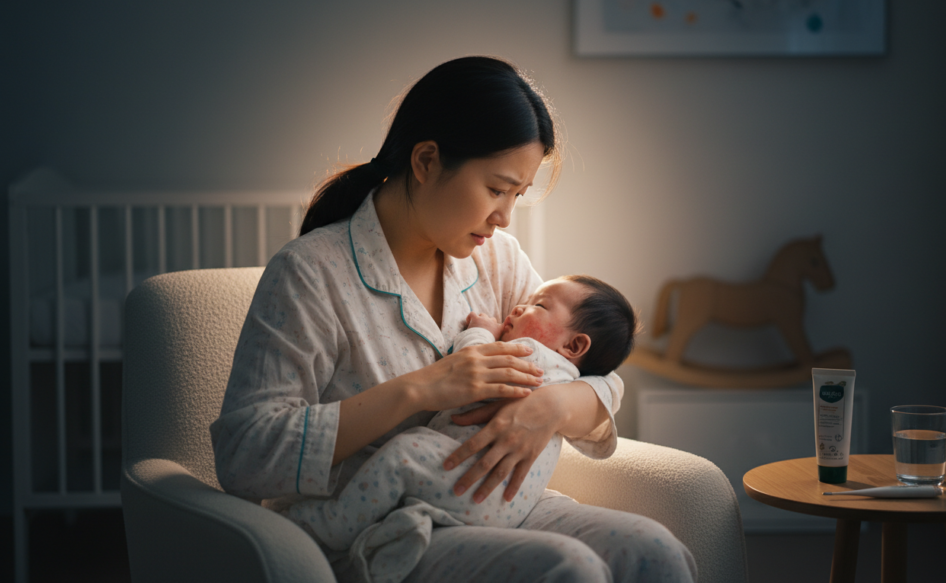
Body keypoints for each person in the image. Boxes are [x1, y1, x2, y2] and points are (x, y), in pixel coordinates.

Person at [210, 56, 697, 583]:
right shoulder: (310, 273)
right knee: (567, 569)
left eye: (517, 195)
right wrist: (421, 389)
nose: (505, 216)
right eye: (495, 189)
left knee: (655, 551)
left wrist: (553, 406)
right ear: (425, 161)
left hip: (499, 505)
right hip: (378, 526)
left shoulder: (498, 259)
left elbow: (589, 374)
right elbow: (245, 453)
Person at [281, 275, 640, 582]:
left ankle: (331, 525)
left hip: (470, 482)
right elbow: (606, 384)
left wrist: (481, 332)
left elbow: (471, 364)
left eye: (538, 305)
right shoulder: (569, 373)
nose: (518, 307)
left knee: (407, 453)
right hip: (504, 505)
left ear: (574, 345)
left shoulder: (530, 353)